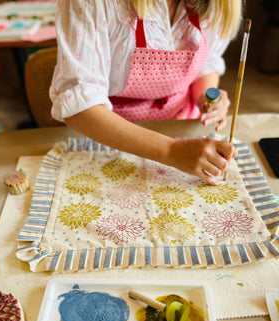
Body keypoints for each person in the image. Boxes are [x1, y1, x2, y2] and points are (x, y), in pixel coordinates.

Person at [50, 0, 242, 185]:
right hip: (110, 137)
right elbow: (80, 108)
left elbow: (207, 61)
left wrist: (208, 95)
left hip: (184, 132)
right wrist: (171, 151)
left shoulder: (215, 3)